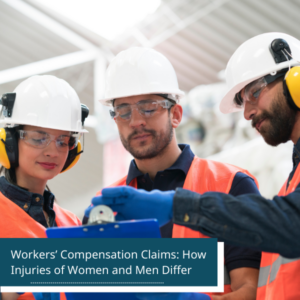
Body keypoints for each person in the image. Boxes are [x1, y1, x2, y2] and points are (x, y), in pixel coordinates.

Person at [89, 32, 300, 300]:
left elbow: (252, 288)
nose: (135, 121)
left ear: (176, 114)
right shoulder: (107, 205)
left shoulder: (231, 184)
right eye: (123, 111)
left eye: (148, 107)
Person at [0, 75, 88, 300]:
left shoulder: (73, 224)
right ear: (10, 141)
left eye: (63, 141)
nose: (53, 152)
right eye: (39, 138)